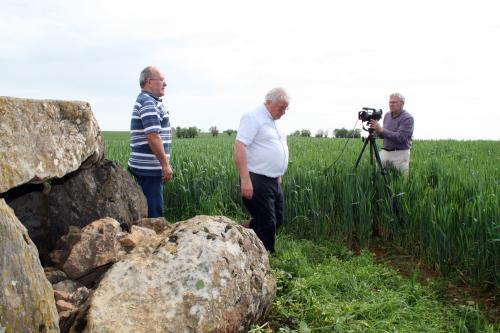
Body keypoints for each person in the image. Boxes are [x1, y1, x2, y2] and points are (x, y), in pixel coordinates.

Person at [234, 87, 290, 253]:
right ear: (269, 102)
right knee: (267, 225)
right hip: (256, 178)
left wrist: (279, 173)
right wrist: (245, 179)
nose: (284, 112)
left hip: (273, 180)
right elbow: (239, 146)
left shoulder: (273, 123)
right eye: (282, 108)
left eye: (286, 108)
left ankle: (242, 231)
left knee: (278, 220)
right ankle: (267, 260)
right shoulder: (253, 117)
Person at [128, 66, 173, 217]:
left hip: (147, 168)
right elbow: (153, 136)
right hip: (149, 170)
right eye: (162, 80)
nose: (165, 84)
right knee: (154, 215)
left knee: (148, 210)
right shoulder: (148, 102)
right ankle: (152, 239)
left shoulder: (148, 100)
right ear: (149, 82)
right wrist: (165, 165)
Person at [369, 92, 414, 175]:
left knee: (401, 181)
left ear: (402, 103)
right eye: (390, 102)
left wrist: (382, 130)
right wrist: (377, 131)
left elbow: (401, 137)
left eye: (394, 102)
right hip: (385, 151)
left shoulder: (407, 118)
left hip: (400, 153)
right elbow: (384, 135)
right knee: (379, 177)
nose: (391, 104)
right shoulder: (387, 115)